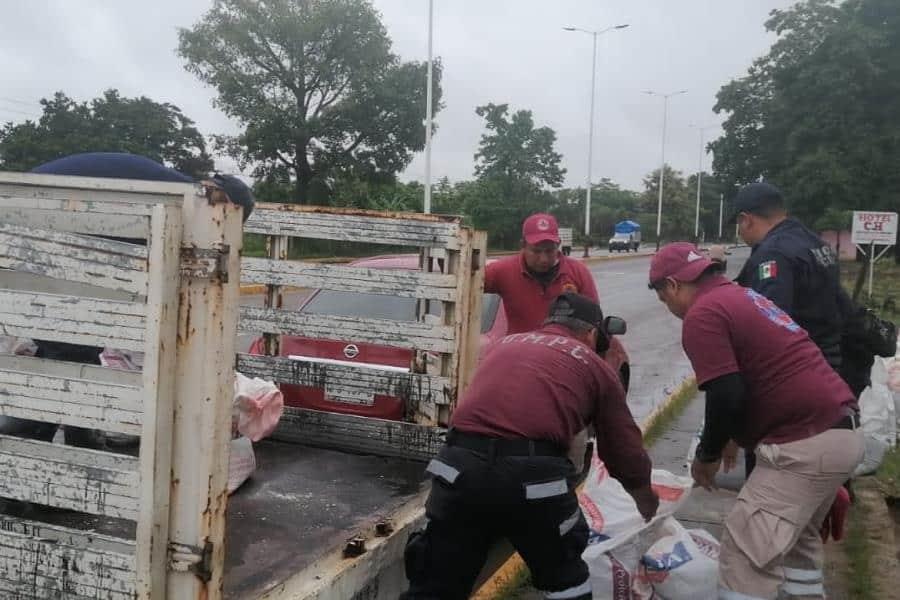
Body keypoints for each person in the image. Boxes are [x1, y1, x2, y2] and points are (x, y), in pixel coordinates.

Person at [401, 293, 658, 600]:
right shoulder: (594, 364)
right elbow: (623, 450)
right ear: (591, 333)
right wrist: (644, 497)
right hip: (533, 480)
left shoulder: (505, 345)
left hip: (458, 468)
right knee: (566, 579)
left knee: (435, 584)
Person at [649, 242, 863, 599]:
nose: (669, 309)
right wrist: (736, 435)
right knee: (797, 549)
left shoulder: (703, 314)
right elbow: (752, 377)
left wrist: (708, 454)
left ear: (672, 285)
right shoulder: (743, 296)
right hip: (839, 431)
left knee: (744, 556)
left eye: (663, 299)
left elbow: (726, 392)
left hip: (801, 444)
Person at [6, 152, 254, 449]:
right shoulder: (181, 204)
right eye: (223, 223)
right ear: (223, 202)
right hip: (41, 219)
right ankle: (30, 459)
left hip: (32, 215)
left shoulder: (168, 191)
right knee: (67, 355)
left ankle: (66, 446)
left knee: (73, 349)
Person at [485, 213, 599, 334]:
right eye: (536, 251)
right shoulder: (502, 271)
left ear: (558, 244)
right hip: (521, 349)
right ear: (522, 245)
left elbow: (593, 320)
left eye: (550, 251)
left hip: (564, 350)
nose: (543, 259)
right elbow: (465, 282)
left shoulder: (578, 272)